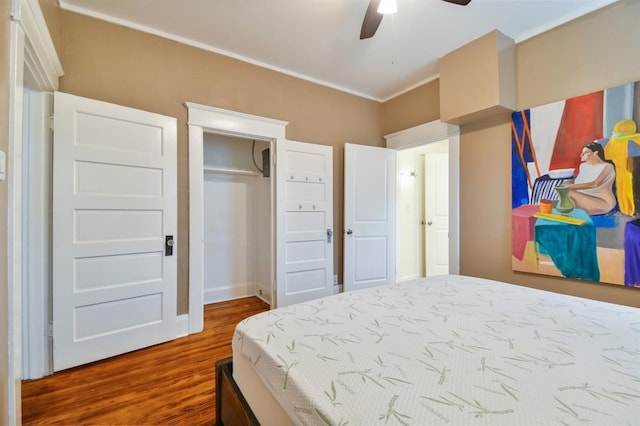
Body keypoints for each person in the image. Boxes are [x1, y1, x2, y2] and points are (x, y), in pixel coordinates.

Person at [566, 142, 616, 215]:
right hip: (585, 198)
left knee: (567, 192)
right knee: (566, 196)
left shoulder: (607, 167)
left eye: (586, 152)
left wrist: (569, 187)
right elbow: (580, 181)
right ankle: (572, 217)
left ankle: (573, 217)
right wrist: (568, 182)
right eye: (582, 152)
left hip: (602, 202)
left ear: (595, 153)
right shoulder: (583, 166)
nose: (581, 155)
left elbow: (594, 184)